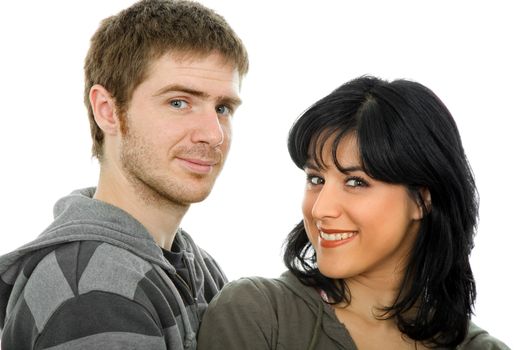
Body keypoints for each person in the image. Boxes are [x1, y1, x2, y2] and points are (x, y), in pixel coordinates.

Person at [0, 0, 248, 349]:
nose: (213, 133)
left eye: (223, 108)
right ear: (108, 111)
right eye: (179, 102)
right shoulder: (94, 291)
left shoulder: (195, 265)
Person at [197, 76, 509, 349]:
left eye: (356, 182)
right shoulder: (257, 315)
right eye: (316, 179)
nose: (321, 209)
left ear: (421, 200)